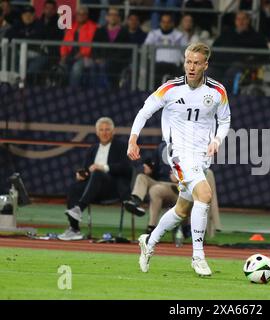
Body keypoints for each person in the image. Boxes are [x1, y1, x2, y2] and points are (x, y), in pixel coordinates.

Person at [127, 42, 230, 276]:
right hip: (178, 153)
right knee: (204, 194)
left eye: (196, 63)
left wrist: (217, 141)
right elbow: (144, 111)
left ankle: (149, 242)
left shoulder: (217, 91)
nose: (191, 67)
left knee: (182, 209)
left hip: (202, 156)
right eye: (188, 62)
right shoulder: (170, 88)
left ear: (205, 64)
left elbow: (224, 121)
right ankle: (198, 256)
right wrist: (133, 139)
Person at [124, 141, 222, 237]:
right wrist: (149, 169)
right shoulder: (162, 146)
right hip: (160, 183)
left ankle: (151, 227)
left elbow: (196, 169)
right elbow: (154, 167)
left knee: (155, 190)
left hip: (177, 187)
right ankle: (136, 202)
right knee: (142, 177)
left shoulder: (187, 146)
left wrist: (180, 176)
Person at [58, 117, 132, 241]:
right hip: (93, 190)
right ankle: (74, 229)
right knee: (74, 187)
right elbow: (87, 170)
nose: (104, 132)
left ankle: (79, 208)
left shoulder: (121, 146)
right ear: (97, 132)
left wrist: (103, 167)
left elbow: (126, 168)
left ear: (113, 131)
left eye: (107, 129)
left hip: (112, 188)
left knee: (98, 172)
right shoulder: (92, 149)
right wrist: (83, 174)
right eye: (101, 130)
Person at [211, 11, 269, 94]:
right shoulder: (226, 34)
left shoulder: (256, 37)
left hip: (242, 66)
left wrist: (251, 59)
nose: (241, 22)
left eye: (243, 19)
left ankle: (223, 98)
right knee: (208, 72)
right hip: (221, 63)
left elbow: (264, 54)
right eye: (238, 19)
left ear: (248, 20)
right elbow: (215, 48)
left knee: (232, 72)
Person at [143, 13, 188, 87]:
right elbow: (145, 48)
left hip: (174, 66)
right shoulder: (153, 34)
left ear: (172, 23)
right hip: (157, 65)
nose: (165, 24)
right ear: (160, 23)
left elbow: (186, 52)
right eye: (163, 22)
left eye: (168, 22)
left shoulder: (179, 36)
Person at [5, 5, 46, 85]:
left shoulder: (39, 25)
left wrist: (22, 37)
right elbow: (8, 36)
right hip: (19, 54)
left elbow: (38, 38)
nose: (27, 17)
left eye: (30, 14)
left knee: (36, 65)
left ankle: (27, 83)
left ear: (34, 15)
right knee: (13, 55)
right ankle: (16, 81)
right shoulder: (17, 25)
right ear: (21, 16)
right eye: (25, 14)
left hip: (35, 54)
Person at [60, 7, 97, 88]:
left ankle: (73, 91)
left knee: (76, 67)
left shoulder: (92, 27)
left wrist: (80, 54)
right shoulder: (72, 26)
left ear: (87, 16)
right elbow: (64, 43)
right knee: (61, 66)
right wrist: (63, 55)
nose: (81, 16)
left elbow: (89, 45)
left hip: (87, 57)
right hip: (71, 55)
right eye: (79, 14)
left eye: (83, 14)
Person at [92, 7, 130, 88]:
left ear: (119, 18)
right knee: (93, 66)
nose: (113, 17)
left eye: (115, 15)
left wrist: (109, 59)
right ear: (107, 17)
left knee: (106, 66)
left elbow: (125, 51)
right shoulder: (100, 31)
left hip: (117, 61)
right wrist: (97, 58)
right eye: (111, 14)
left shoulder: (124, 32)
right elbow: (94, 47)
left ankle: (108, 90)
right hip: (100, 59)